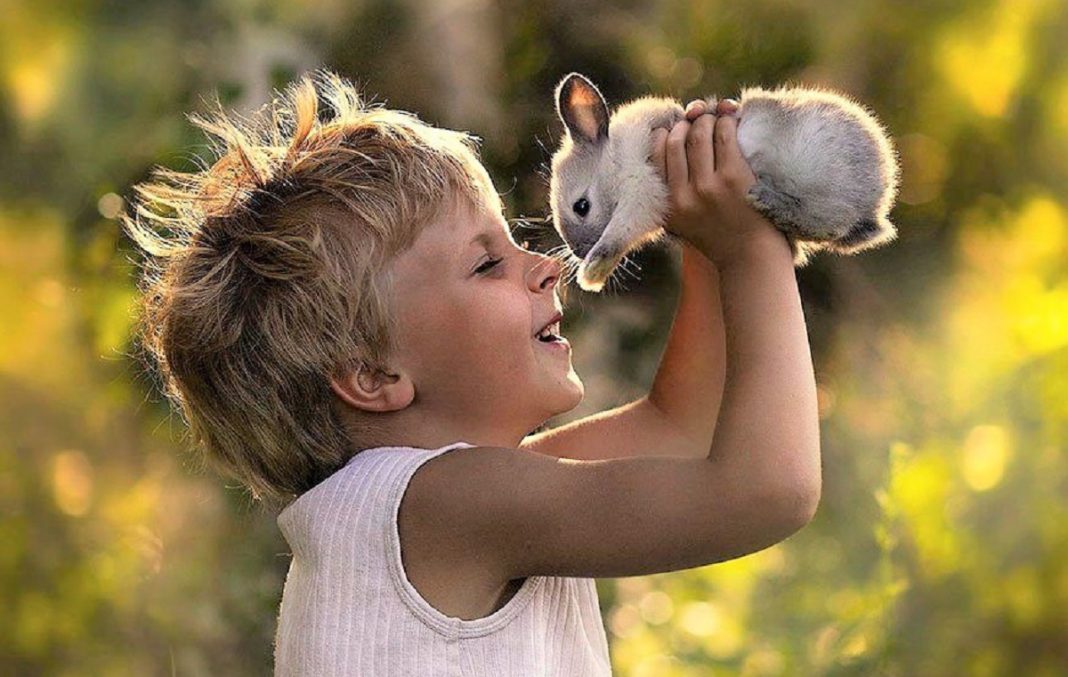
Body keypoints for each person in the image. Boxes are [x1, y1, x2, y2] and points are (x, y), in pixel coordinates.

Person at [122, 69, 821, 676]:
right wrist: (752, 252)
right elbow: (767, 491)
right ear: (371, 373)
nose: (546, 265)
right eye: (487, 263)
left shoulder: (447, 500)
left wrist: (697, 226)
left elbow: (684, 427)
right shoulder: (445, 506)